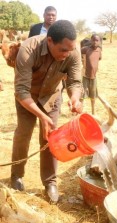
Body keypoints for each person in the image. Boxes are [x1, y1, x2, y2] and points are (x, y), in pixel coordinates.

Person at [11, 20, 83, 204]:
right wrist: (41, 117)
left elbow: (75, 82)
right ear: (49, 41)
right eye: (63, 50)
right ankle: (17, 175)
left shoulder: (72, 52)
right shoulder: (28, 48)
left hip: (51, 97)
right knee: (23, 134)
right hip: (27, 98)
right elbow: (21, 91)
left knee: (51, 138)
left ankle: (50, 182)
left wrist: (75, 98)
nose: (67, 54)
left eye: (70, 50)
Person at [81, 34, 102, 115]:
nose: (95, 42)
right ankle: (80, 112)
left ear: (100, 42)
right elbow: (78, 54)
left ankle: (93, 112)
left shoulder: (99, 50)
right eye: (93, 40)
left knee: (93, 96)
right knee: (82, 95)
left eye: (97, 40)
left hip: (94, 77)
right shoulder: (85, 49)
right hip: (85, 76)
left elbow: (99, 59)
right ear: (90, 40)